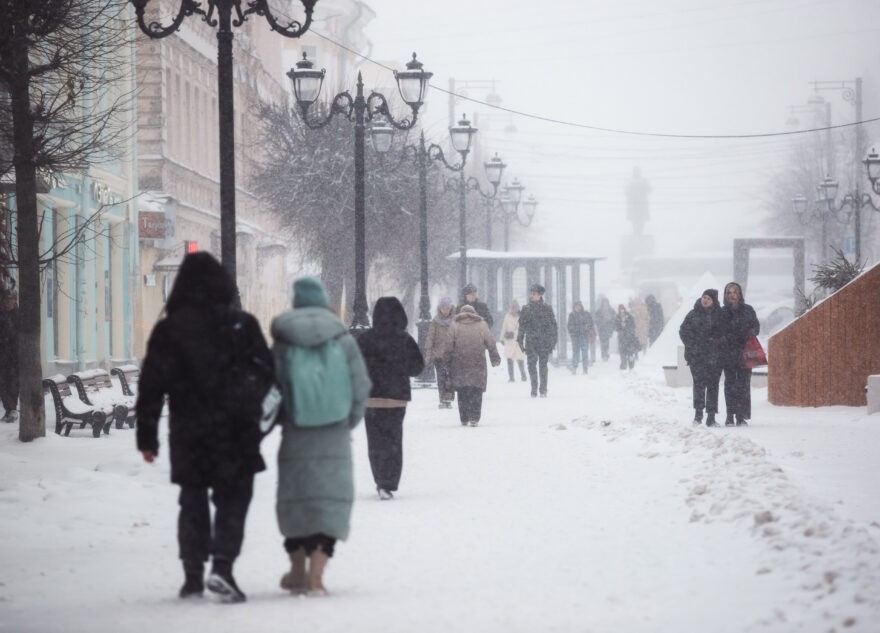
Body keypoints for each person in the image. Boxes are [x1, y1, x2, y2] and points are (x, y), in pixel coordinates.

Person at [136, 252, 273, 602]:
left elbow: (151, 385)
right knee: (233, 497)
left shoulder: (170, 330)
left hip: (190, 431)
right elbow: (269, 376)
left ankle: (193, 573)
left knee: (192, 498)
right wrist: (259, 419)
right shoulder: (242, 326)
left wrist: (147, 436)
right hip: (236, 430)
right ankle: (223, 565)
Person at [271, 276, 372, 595]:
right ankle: (317, 574)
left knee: (297, 501)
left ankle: (297, 570)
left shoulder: (284, 341)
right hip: (335, 434)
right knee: (330, 503)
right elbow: (361, 387)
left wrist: (287, 417)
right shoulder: (343, 339)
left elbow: (272, 387)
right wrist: (346, 420)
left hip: (296, 432)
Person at [357, 297, 425, 500]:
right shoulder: (404, 339)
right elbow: (417, 368)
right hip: (396, 397)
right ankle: (390, 481)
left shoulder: (365, 339)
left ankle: (380, 480)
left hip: (371, 397)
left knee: (375, 441)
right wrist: (398, 368)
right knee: (394, 439)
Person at [445, 305, 501, 426]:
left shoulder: (454, 325)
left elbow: (449, 345)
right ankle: (474, 417)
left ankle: (464, 418)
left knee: (462, 390)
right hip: (477, 362)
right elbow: (491, 342)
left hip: (459, 363)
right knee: (476, 390)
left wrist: (446, 360)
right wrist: (495, 358)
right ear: (474, 313)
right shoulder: (482, 324)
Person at [679, 289, 723, 426]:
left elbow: (724, 333)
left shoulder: (719, 315)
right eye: (704, 297)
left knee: (713, 386)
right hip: (697, 357)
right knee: (699, 386)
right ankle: (698, 415)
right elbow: (683, 331)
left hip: (715, 357)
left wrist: (716, 340)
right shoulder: (693, 314)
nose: (705, 300)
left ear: (713, 301)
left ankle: (711, 417)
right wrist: (694, 344)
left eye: (709, 298)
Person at [720, 281, 760, 427]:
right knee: (730, 384)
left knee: (744, 385)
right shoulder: (722, 312)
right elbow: (718, 331)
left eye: (735, 292)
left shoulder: (748, 310)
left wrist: (750, 332)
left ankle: (741, 416)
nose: (732, 295)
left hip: (745, 352)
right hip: (728, 353)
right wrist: (726, 338)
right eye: (729, 293)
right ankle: (730, 415)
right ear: (726, 295)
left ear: (740, 294)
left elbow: (756, 327)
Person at [517, 283, 558, 398]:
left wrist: (553, 340)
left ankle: (543, 389)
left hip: (544, 341)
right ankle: (534, 388)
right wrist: (520, 339)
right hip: (531, 341)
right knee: (531, 365)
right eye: (532, 293)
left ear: (540, 295)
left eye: (535, 293)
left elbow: (553, 326)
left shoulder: (547, 309)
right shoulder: (526, 309)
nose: (533, 295)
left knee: (543, 366)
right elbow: (522, 326)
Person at [424, 297, 456, 408]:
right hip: (439, 355)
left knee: (450, 378)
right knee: (441, 378)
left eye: (447, 307)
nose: (445, 310)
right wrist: (429, 351)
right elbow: (430, 337)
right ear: (440, 308)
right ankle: (442, 399)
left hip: (452, 355)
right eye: (443, 307)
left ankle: (449, 399)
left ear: (450, 308)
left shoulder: (455, 321)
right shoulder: (435, 321)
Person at [0, 289, 19, 423]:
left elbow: (17, 334)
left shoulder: (18, 314)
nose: (9, 301)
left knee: (13, 383)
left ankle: (12, 409)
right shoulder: (2, 314)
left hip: (14, 355)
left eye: (11, 299)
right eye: (7, 299)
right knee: (3, 384)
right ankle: (9, 409)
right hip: (3, 354)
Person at [500, 300, 527, 382]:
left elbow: (525, 328)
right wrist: (501, 338)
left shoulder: (522, 316)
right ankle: (511, 377)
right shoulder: (507, 316)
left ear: (518, 307)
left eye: (515, 307)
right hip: (510, 340)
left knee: (520, 359)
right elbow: (504, 327)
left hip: (519, 340)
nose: (514, 308)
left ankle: (523, 375)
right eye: (512, 307)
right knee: (509, 359)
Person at [566, 300, 595, 375]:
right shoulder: (572, 315)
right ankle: (575, 367)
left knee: (584, 352)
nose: (578, 307)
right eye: (576, 306)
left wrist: (585, 328)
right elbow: (569, 326)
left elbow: (591, 323)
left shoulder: (586, 314)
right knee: (576, 352)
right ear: (574, 307)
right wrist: (576, 330)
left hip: (584, 336)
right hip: (575, 337)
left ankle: (585, 369)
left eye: (579, 306)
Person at [615, 304, 639, 371]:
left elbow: (633, 326)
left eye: (622, 309)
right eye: (620, 309)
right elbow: (616, 327)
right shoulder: (617, 318)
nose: (622, 311)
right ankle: (624, 364)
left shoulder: (629, 317)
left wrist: (627, 327)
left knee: (630, 353)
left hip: (629, 338)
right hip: (622, 338)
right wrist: (621, 327)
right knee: (622, 353)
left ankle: (631, 366)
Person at [594, 295, 616, 362]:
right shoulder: (599, 311)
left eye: (606, 302)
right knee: (603, 342)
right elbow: (596, 320)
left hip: (608, 329)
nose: (605, 304)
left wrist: (612, 326)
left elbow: (614, 319)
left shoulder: (611, 310)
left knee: (607, 342)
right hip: (602, 329)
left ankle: (606, 353)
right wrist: (601, 323)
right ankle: (604, 355)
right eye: (604, 302)